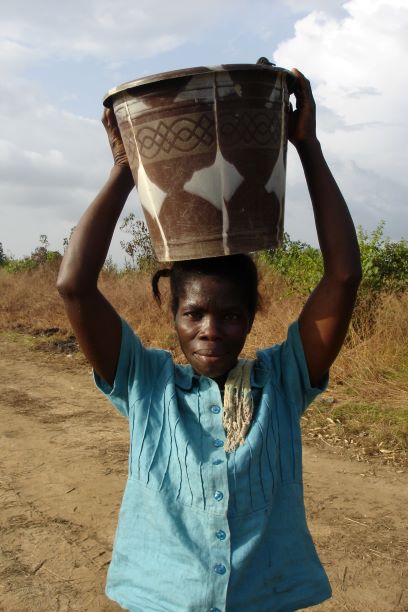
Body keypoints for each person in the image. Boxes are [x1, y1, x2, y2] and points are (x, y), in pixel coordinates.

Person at [57, 68, 362, 611]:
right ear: (171, 316)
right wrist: (127, 170)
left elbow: (342, 276)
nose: (211, 330)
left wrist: (307, 146)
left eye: (229, 315)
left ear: (250, 318)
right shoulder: (145, 383)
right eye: (193, 313)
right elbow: (73, 285)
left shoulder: (283, 381)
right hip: (162, 600)